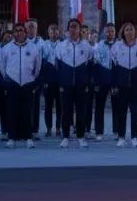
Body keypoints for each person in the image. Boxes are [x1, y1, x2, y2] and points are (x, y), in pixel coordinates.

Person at [0, 22, 41, 148]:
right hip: (12, 83)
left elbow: (38, 67)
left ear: (25, 32)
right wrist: (7, 79)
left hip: (28, 83)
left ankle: (28, 137)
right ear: (13, 33)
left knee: (27, 112)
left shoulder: (33, 48)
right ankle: (11, 137)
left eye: (21, 30)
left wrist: (32, 79)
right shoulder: (6, 48)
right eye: (16, 30)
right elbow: (2, 66)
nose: (19, 32)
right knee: (11, 111)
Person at [55, 18, 92, 148]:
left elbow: (90, 67)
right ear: (68, 29)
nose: (73, 29)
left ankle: (81, 136)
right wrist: (61, 83)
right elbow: (58, 67)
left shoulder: (87, 46)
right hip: (66, 85)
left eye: (75, 27)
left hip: (81, 85)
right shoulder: (61, 46)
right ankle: (65, 137)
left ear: (79, 29)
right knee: (66, 111)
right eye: (71, 27)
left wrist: (87, 83)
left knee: (81, 111)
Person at [110, 22, 137, 148]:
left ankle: (134, 137)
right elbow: (114, 68)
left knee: (135, 112)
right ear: (123, 32)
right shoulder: (117, 46)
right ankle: (121, 137)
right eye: (126, 30)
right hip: (121, 84)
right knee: (121, 112)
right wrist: (114, 85)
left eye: (131, 29)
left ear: (135, 32)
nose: (129, 31)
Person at [91, 24, 116, 140]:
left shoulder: (120, 45)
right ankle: (99, 132)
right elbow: (97, 63)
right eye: (108, 31)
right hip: (102, 80)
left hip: (116, 80)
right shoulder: (98, 46)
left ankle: (117, 131)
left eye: (112, 31)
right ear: (104, 33)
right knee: (99, 107)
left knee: (117, 106)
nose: (110, 33)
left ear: (115, 32)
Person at [39, 24, 62, 138]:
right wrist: (43, 81)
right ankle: (48, 128)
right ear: (48, 33)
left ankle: (58, 128)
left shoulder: (62, 45)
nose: (53, 34)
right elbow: (41, 64)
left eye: (56, 31)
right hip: (48, 79)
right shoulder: (44, 45)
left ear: (59, 32)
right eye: (51, 32)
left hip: (59, 79)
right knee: (48, 106)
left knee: (60, 105)